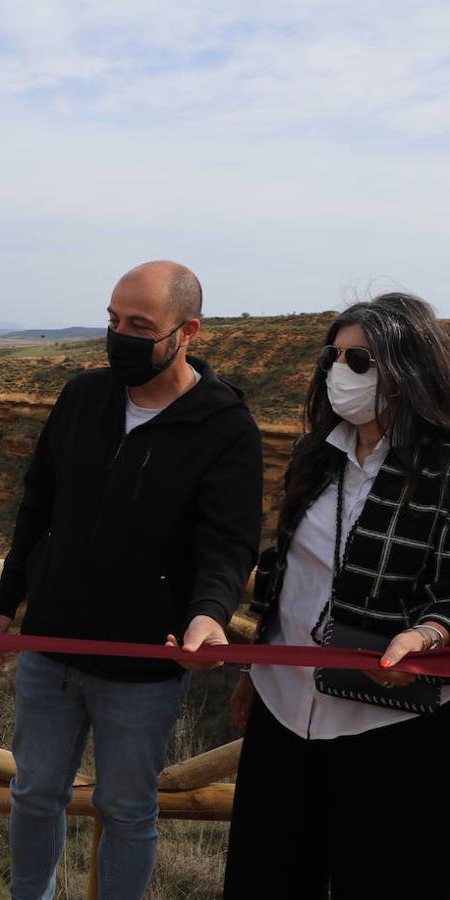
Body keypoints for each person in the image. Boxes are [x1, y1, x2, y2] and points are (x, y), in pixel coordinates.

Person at [0, 261, 263, 899]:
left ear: (187, 332)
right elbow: (37, 503)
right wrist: (6, 601)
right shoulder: (82, 396)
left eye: (139, 325)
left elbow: (230, 541)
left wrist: (209, 613)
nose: (119, 335)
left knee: (128, 810)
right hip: (49, 646)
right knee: (33, 793)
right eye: (112, 320)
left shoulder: (224, 426)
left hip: (142, 660)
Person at [224, 294, 450, 899]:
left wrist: (428, 636)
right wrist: (254, 667)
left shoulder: (443, 471)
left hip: (387, 725)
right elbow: (285, 575)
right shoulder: (315, 456)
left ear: (407, 368)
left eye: (359, 360)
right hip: (282, 711)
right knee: (263, 881)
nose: (337, 373)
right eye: (333, 357)